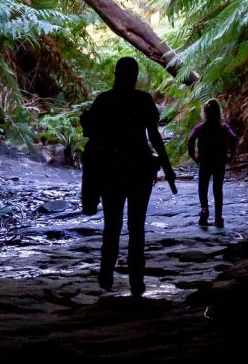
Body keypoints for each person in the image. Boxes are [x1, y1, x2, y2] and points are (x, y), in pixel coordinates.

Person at [80, 56, 177, 297]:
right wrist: (167, 167)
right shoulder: (142, 100)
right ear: (134, 77)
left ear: (115, 74)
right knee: (137, 226)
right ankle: (136, 280)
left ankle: (106, 274)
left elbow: (92, 133)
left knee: (111, 224)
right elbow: (154, 136)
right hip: (139, 170)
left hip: (111, 170)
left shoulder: (104, 100)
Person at [188, 98, 237, 227]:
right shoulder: (223, 127)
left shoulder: (200, 127)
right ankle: (218, 218)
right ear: (218, 112)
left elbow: (191, 139)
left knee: (202, 188)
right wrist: (231, 154)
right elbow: (233, 137)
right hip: (219, 161)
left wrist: (193, 155)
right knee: (217, 189)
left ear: (204, 112)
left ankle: (204, 210)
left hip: (205, 161)